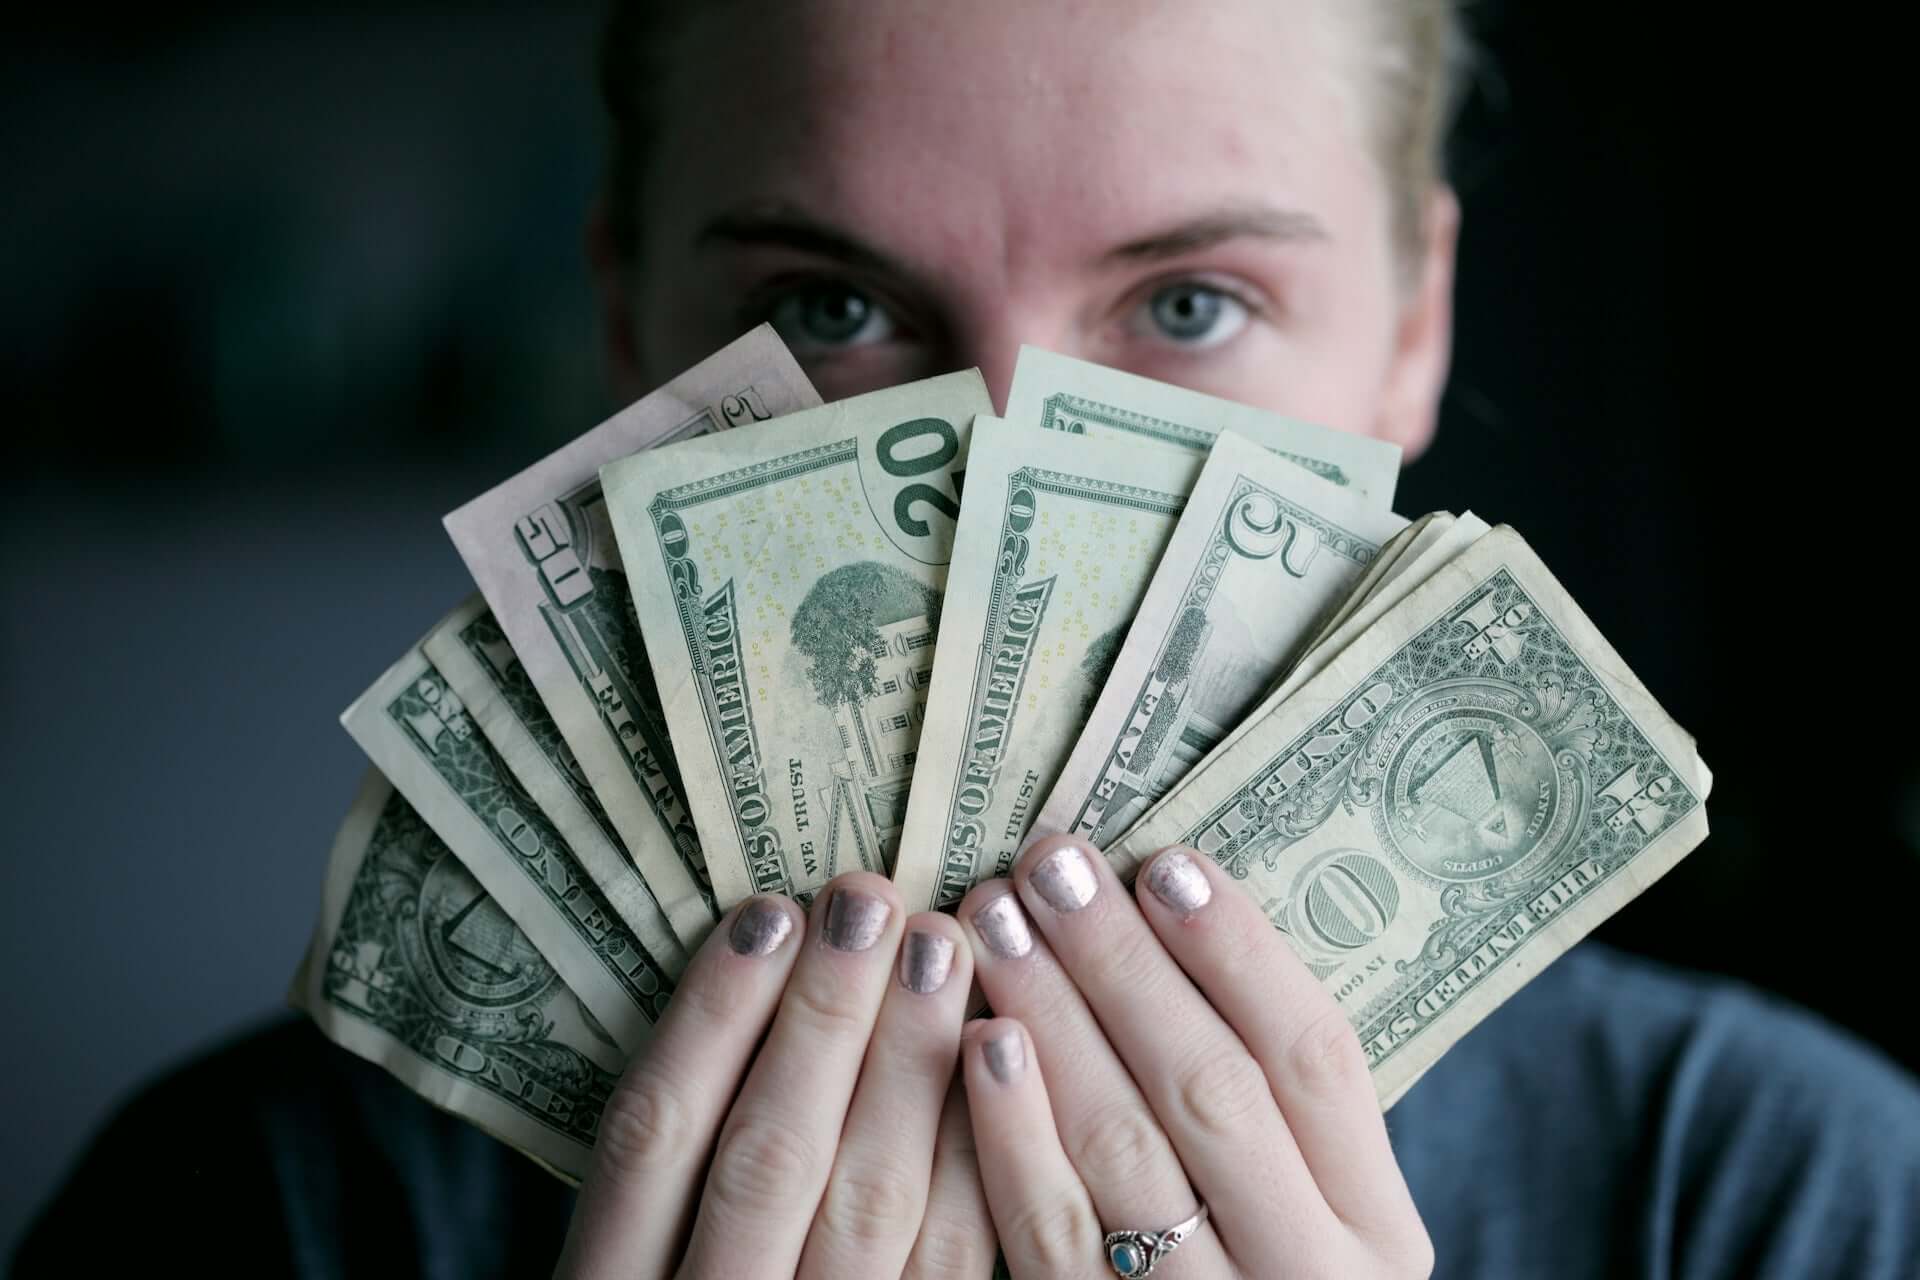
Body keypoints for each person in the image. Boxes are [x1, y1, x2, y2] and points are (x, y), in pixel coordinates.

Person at [17, 2, 1920, 1277]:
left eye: (1188, 303)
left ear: (1418, 326)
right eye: (832, 300)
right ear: (622, 315)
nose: (1001, 464)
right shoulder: (249, 1215)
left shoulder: (1796, 1199)